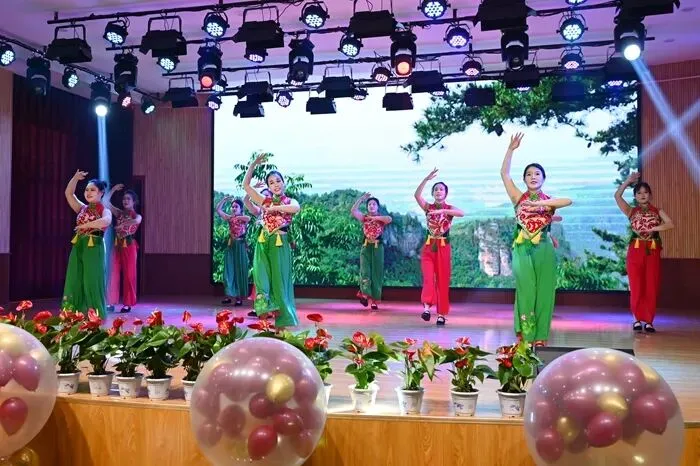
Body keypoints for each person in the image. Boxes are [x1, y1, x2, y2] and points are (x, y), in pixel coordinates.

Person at [501, 133, 572, 346]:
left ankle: (540, 337)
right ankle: (526, 334)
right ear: (524, 179)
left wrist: (539, 204)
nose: (533, 177)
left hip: (544, 248)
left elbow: (568, 201)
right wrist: (511, 149)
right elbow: (504, 174)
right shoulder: (518, 197)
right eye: (529, 174)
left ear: (543, 178)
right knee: (527, 288)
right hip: (522, 248)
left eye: (537, 174)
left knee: (544, 291)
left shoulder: (549, 201)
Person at [243, 154, 301, 329]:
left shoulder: (289, 201)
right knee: (261, 281)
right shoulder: (264, 201)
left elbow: (296, 208)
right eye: (271, 183)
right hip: (263, 242)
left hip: (279, 243)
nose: (275, 184)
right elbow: (246, 186)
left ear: (284, 183)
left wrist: (275, 207)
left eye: (278, 181)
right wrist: (253, 164)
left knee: (279, 283)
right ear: (268, 187)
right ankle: (263, 323)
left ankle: (281, 326)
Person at [614, 172, 674, 333]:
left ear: (650, 195)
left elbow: (670, 224)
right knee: (636, 285)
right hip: (635, 250)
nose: (642, 195)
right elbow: (617, 196)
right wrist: (628, 181)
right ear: (635, 196)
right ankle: (637, 319)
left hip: (652, 250)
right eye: (639, 193)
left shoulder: (658, 211)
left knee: (651, 285)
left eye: (645, 192)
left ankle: (649, 321)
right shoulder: (631, 211)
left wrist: (654, 228)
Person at [414, 168, 464, 326]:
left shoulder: (448, 209)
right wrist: (426, 179)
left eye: (441, 189)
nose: (438, 191)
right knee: (428, 278)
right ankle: (426, 308)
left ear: (446, 193)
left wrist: (443, 210)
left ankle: (441, 314)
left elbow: (461, 213)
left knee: (442, 280)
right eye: (436, 189)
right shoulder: (428, 207)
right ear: (433, 193)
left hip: (443, 247)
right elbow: (417, 195)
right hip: (429, 246)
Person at [63, 170, 112, 319]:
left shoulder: (104, 210)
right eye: (86, 190)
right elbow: (69, 194)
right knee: (75, 277)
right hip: (79, 245)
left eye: (92, 190)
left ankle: (94, 313)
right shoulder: (82, 208)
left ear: (101, 193)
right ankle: (74, 311)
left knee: (91, 279)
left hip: (94, 246)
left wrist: (85, 226)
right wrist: (75, 178)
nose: (88, 192)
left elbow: (106, 221)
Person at [351, 192, 392, 310]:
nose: (371, 206)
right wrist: (361, 199)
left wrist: (374, 218)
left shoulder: (381, 218)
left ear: (377, 207)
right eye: (369, 204)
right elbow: (353, 211)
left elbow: (389, 219)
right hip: (366, 246)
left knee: (376, 273)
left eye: (374, 204)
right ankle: (364, 294)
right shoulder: (364, 218)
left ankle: (374, 300)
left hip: (378, 247)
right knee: (365, 270)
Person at [104, 184, 142, 313]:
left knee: (129, 275)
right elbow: (105, 202)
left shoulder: (137, 215)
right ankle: (110, 302)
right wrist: (113, 189)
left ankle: (128, 304)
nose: (125, 201)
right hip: (117, 245)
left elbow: (136, 221)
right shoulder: (119, 213)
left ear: (134, 202)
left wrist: (123, 225)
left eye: (128, 199)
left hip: (129, 246)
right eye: (124, 199)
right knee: (113, 273)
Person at [216, 196, 251, 306]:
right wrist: (224, 200)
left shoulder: (243, 218)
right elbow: (218, 210)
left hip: (240, 246)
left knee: (239, 271)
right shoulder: (230, 218)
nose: (233, 208)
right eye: (232, 207)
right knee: (228, 271)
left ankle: (239, 298)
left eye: (236, 207)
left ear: (241, 209)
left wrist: (236, 217)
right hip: (231, 246)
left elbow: (248, 218)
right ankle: (228, 295)